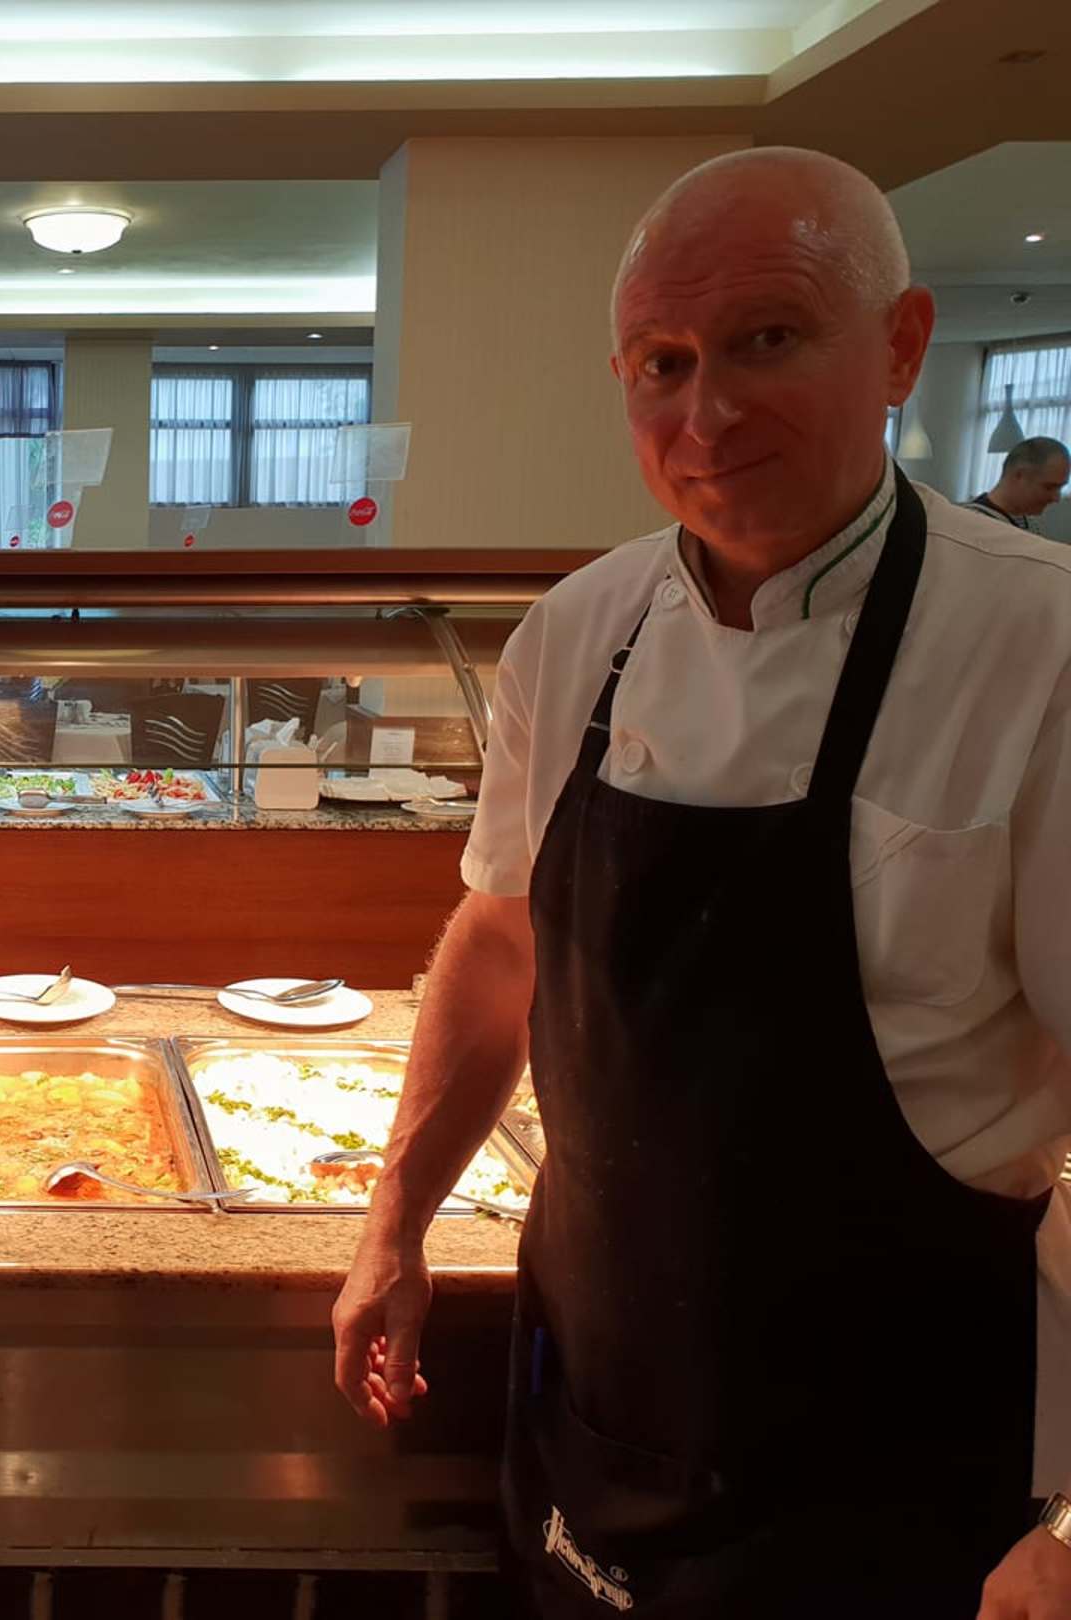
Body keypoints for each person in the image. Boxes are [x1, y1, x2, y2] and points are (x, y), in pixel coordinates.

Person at [330, 145, 1071, 1619]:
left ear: (901, 347)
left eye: (767, 340)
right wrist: (394, 1220)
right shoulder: (576, 630)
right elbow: (501, 941)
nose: (707, 414)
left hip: (903, 1464)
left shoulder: (1042, 648)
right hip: (596, 1416)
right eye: (662, 364)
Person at [967, 436, 1071, 533]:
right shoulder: (970, 522)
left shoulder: (1029, 522)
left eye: (1060, 487)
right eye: (1049, 487)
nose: (1056, 498)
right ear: (1019, 475)